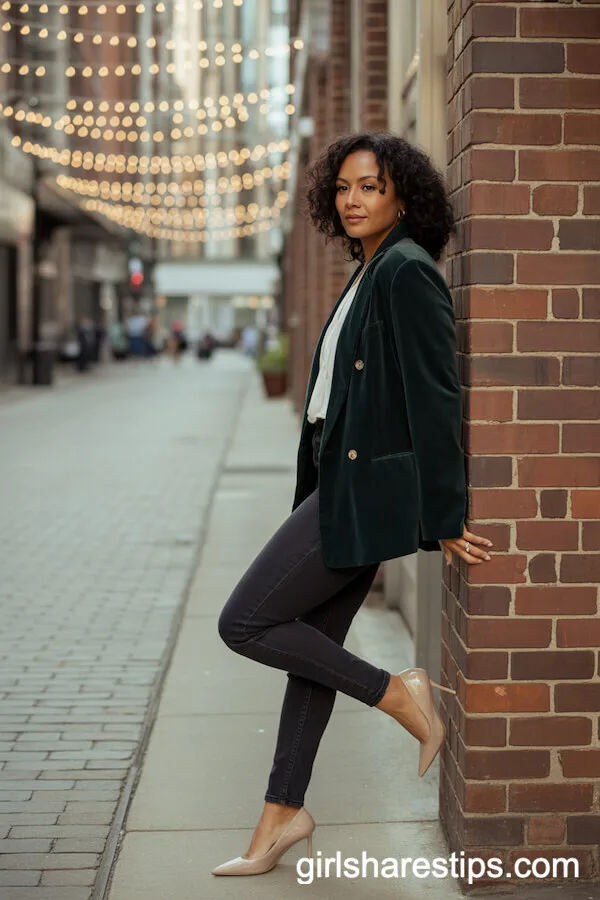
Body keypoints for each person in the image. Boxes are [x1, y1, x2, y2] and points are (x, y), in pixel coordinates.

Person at [214, 132, 493, 877]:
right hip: (341, 487)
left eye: (369, 186)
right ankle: (281, 816)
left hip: (362, 494)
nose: (353, 200)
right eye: (343, 188)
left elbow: (436, 400)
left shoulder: (405, 272)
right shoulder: (368, 269)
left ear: (401, 194)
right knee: (311, 656)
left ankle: (399, 694)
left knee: (243, 621)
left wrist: (445, 514)